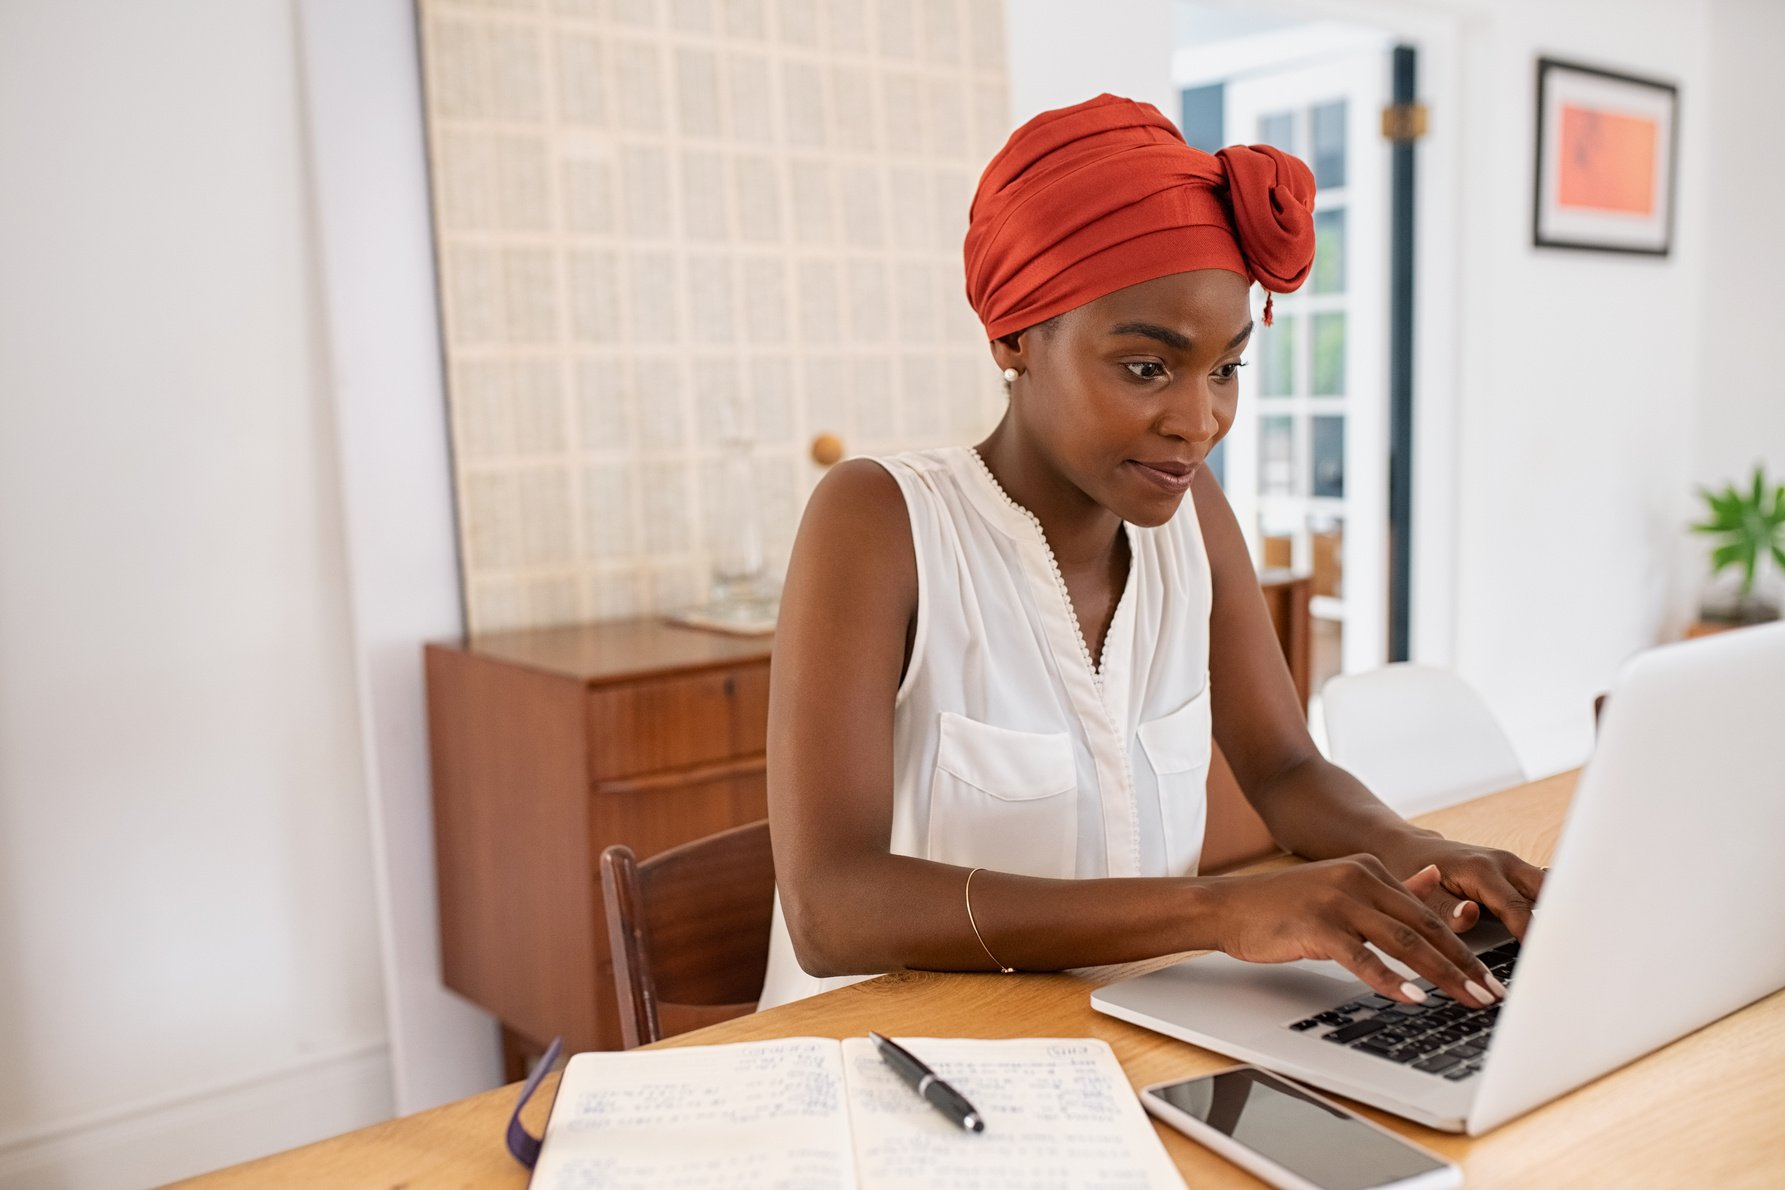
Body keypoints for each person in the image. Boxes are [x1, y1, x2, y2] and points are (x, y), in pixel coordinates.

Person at [758, 93, 1543, 1012]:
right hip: (900, 1061)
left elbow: (1285, 770)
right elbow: (830, 911)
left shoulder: (1191, 516)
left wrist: (1422, 853)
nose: (1197, 421)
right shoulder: (881, 520)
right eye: (1146, 367)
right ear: (1012, 337)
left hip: (1129, 1035)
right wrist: (1216, 909)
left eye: (1225, 368)